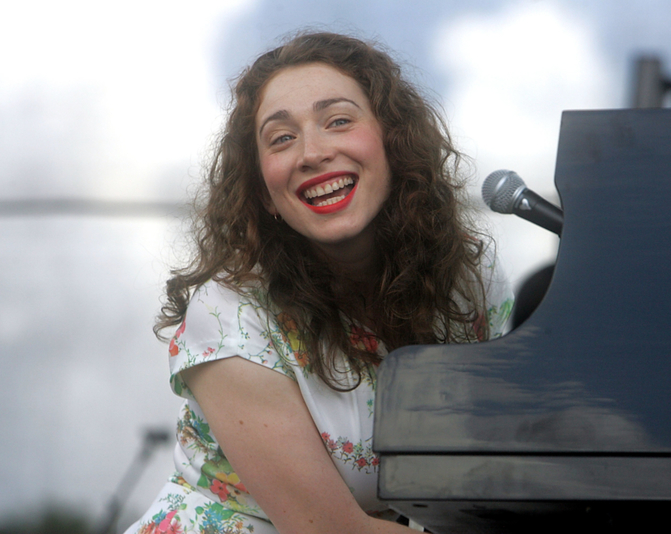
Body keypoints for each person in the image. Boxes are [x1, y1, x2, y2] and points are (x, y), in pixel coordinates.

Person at [125, 32, 513, 534]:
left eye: (338, 121)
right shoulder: (228, 310)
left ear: (394, 143)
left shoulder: (469, 283)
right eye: (281, 138)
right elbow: (328, 529)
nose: (312, 152)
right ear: (264, 192)